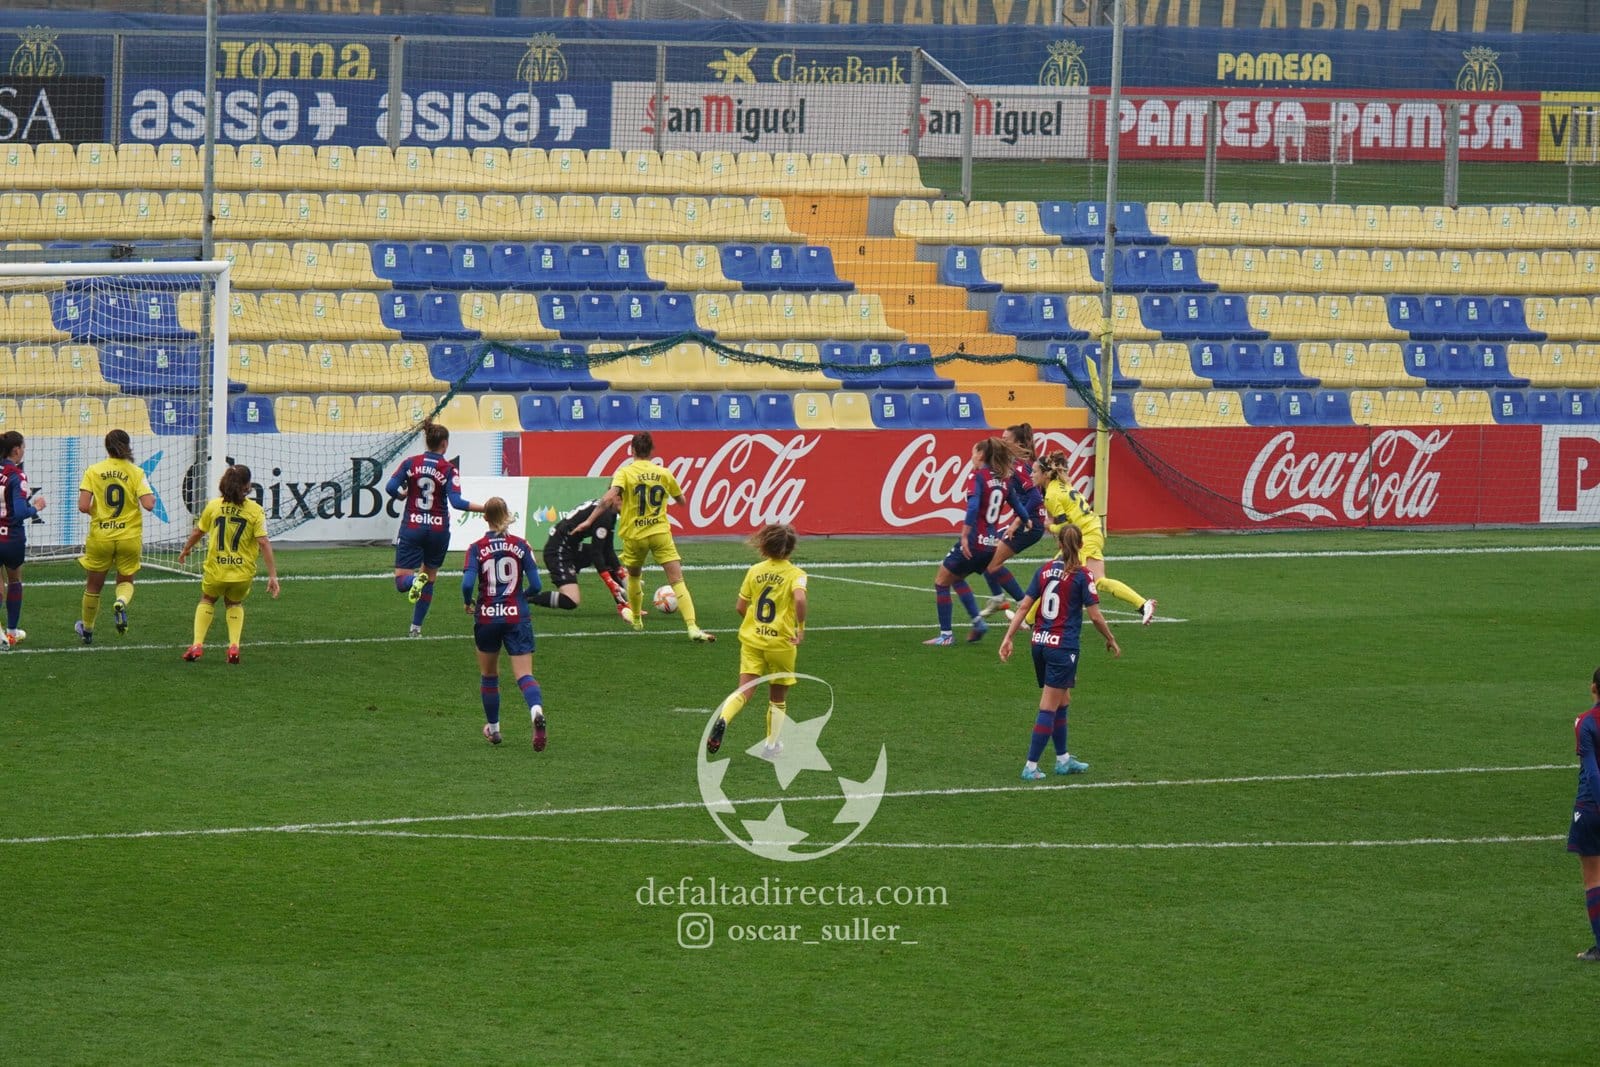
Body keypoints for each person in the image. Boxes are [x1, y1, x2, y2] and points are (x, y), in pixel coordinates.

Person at [998, 524, 1120, 781]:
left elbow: (1023, 608)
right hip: (1062, 648)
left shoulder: (1044, 570)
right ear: (1080, 546)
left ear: (1059, 545)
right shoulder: (1082, 576)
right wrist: (1110, 638)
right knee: (1048, 706)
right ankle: (1030, 766)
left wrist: (1008, 637)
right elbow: (1096, 617)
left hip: (1039, 643)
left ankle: (1063, 759)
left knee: (1063, 700)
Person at [580, 431, 715, 643]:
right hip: (660, 532)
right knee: (677, 580)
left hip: (635, 536)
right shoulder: (664, 473)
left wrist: (589, 520)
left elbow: (608, 498)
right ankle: (692, 626)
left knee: (633, 577)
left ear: (632, 450)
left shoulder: (624, 472)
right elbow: (681, 500)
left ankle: (636, 620)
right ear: (652, 450)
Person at [707, 523, 808, 757]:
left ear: (764, 546)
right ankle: (771, 746)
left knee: (745, 689)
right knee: (778, 697)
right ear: (791, 549)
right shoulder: (796, 575)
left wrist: (755, 624)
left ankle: (723, 718)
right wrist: (800, 628)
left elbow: (740, 606)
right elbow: (800, 600)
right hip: (781, 644)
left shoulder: (754, 570)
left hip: (752, 640)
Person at [1031, 450, 1157, 626]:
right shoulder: (1061, 485)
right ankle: (1144, 604)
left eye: (1035, 471)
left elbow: (1064, 526)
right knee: (1099, 581)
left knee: (1055, 572)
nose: (1031, 475)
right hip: (1093, 530)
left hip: (1085, 535)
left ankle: (1027, 620)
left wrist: (1047, 526)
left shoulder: (1051, 494)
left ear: (1045, 474)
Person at [924, 437, 1029, 647]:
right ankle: (977, 622)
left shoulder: (977, 476)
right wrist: (1026, 522)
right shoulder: (1005, 480)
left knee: (941, 582)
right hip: (991, 545)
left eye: (973, 452)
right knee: (957, 578)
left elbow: (973, 508)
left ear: (981, 455)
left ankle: (946, 635)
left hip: (974, 541)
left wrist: (964, 535)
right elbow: (1019, 507)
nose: (972, 456)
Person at [462, 496, 547, 750]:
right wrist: (522, 596)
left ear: (485, 517)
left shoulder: (476, 548)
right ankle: (535, 709)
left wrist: (469, 602)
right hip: (516, 615)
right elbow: (538, 585)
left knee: (489, 675)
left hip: (487, 616)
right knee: (524, 674)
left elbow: (467, 584)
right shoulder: (521, 545)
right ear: (507, 515)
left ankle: (495, 729)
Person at [386, 419, 483, 637]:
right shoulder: (449, 469)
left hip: (413, 527)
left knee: (402, 582)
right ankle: (415, 629)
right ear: (445, 444)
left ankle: (413, 580)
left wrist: (402, 494)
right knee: (429, 577)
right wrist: (486, 508)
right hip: (439, 531)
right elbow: (457, 502)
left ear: (427, 441)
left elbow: (390, 487)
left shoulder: (410, 463)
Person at [176, 464, 280, 664]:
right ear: (248, 486)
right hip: (242, 573)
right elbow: (264, 542)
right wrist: (272, 575)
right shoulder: (255, 511)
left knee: (207, 599)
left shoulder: (214, 506)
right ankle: (234, 646)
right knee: (234, 603)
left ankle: (197, 644)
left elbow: (199, 531)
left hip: (216, 570)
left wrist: (186, 549)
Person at [75, 429, 155, 645]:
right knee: (126, 579)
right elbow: (148, 504)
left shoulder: (94, 471)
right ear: (128, 446)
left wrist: (100, 512)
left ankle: (88, 630)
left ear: (106, 447)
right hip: (128, 537)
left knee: (93, 587)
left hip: (101, 536)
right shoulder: (136, 472)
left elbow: (83, 506)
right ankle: (120, 601)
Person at [979, 422, 1049, 619]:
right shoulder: (1017, 463)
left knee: (992, 564)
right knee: (985, 556)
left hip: (1029, 525)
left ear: (1016, 442)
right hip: (1029, 522)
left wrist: (1017, 523)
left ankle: (1024, 608)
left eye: (1006, 439)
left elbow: (1035, 497)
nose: (1002, 441)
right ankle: (999, 598)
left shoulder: (1019, 466)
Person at [536, 497, 635, 622]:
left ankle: (624, 605)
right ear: (615, 498)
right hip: (558, 550)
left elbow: (607, 550)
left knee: (606, 558)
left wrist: (622, 574)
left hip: (571, 547)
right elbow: (596, 553)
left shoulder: (608, 511)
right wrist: (610, 582)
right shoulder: (605, 515)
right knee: (572, 601)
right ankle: (526, 597)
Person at [0, 431, 46, 649]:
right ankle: (11, 632)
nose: (24, 451)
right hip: (12, 538)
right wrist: (35, 507)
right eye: (23, 447)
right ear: (16, 450)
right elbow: (18, 512)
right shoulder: (17, 476)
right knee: (15, 581)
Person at [1569, 667, 1600, 962]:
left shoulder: (1586, 722)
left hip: (1591, 809)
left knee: (1593, 878)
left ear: (1594, 688)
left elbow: (1591, 772)